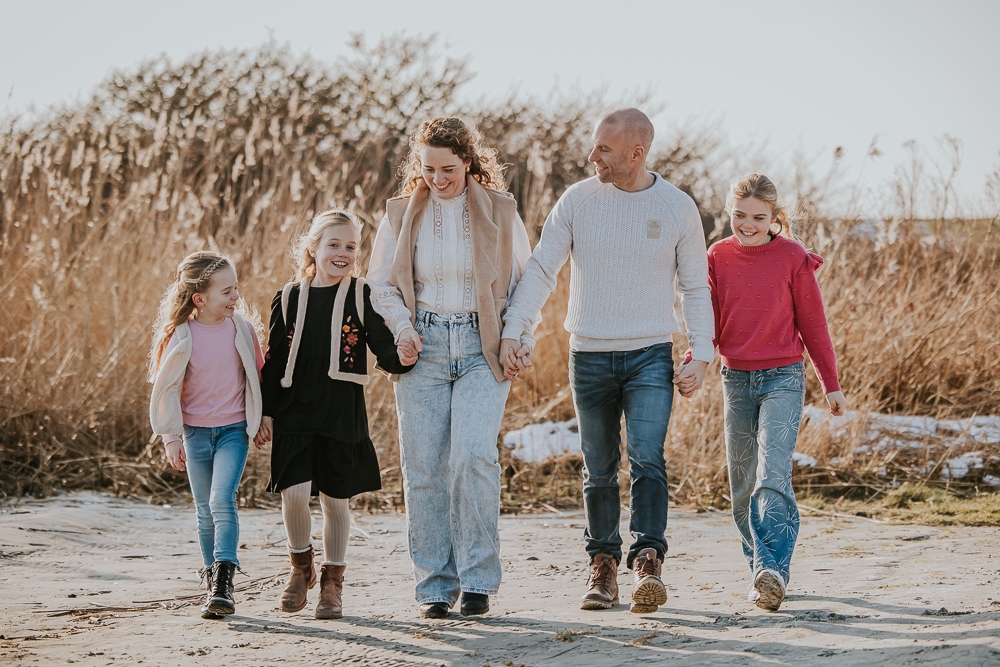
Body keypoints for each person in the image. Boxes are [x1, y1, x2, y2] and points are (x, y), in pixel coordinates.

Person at [500, 108, 715, 614]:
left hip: (649, 355)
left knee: (646, 459)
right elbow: (541, 269)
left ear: (636, 154)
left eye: (603, 149)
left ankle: (647, 561)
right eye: (594, 145)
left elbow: (694, 288)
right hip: (589, 355)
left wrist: (701, 354)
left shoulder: (678, 207)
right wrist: (516, 329)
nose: (591, 155)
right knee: (598, 468)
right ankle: (602, 566)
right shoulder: (577, 200)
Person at [367, 117, 536, 618]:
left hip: (483, 345)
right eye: (427, 170)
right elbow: (380, 284)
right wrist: (402, 328)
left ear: (467, 161)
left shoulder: (502, 211)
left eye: (448, 169)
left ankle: (479, 579)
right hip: (423, 346)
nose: (438, 179)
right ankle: (435, 587)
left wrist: (516, 336)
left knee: (472, 457)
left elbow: (528, 283)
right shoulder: (399, 216)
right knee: (423, 467)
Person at [677, 173, 847, 611]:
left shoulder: (792, 257)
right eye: (739, 215)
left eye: (757, 217)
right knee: (740, 484)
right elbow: (706, 320)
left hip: (784, 379)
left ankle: (773, 570)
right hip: (735, 380)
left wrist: (832, 385)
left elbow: (814, 325)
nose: (747, 224)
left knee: (772, 474)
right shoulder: (716, 255)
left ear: (774, 217)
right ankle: (760, 570)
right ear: (729, 213)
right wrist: (694, 359)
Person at [257, 209, 413, 619]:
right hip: (294, 409)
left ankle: (332, 582)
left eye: (351, 246)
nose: (343, 253)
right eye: (334, 245)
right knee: (292, 494)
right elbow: (273, 360)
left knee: (335, 500)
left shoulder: (362, 295)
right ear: (313, 248)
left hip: (341, 411)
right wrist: (265, 412)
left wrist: (404, 357)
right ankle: (300, 566)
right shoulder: (289, 296)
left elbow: (383, 347)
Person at [148, 251, 264, 619]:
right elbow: (167, 390)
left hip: (233, 431)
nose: (235, 297)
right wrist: (170, 437)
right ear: (200, 299)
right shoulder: (181, 336)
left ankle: (224, 582)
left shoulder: (242, 331)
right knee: (203, 512)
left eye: (236, 289)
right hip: (195, 434)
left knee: (220, 500)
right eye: (227, 292)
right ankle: (212, 577)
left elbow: (258, 380)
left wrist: (264, 418)